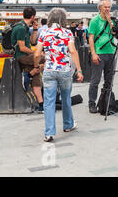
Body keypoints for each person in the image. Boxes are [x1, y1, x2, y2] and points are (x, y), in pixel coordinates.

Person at [34, 8, 83, 142]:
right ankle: (68, 125)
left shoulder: (44, 32)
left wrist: (36, 66)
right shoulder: (67, 33)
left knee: (48, 101)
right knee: (66, 97)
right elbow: (72, 51)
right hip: (64, 71)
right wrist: (79, 70)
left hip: (49, 70)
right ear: (63, 19)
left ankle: (49, 133)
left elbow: (37, 53)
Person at [11, 7, 45, 112]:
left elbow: (32, 42)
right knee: (45, 58)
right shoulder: (20, 28)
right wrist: (36, 53)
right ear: (33, 16)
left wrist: (35, 29)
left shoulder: (25, 27)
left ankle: (41, 105)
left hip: (26, 56)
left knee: (36, 79)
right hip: (21, 56)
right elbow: (22, 48)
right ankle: (29, 74)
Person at [88, 0, 116, 114]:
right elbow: (91, 37)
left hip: (111, 51)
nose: (107, 9)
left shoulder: (111, 21)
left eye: (109, 7)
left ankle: (105, 101)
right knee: (95, 80)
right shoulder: (95, 20)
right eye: (105, 7)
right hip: (99, 53)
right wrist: (93, 53)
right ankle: (91, 103)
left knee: (109, 80)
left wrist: (110, 22)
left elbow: (114, 33)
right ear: (100, 7)